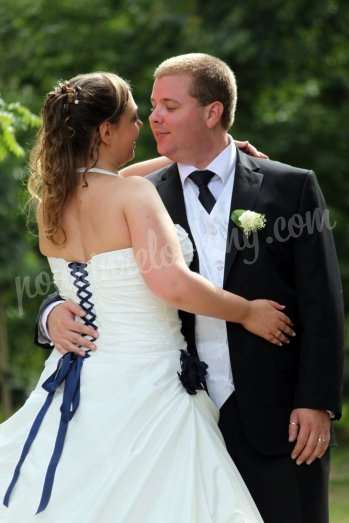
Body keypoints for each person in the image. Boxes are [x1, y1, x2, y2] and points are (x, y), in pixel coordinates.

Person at [37, 55, 345, 523]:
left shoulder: (291, 188)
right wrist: (51, 311)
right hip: (170, 404)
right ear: (105, 130)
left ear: (213, 112)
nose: (152, 119)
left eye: (168, 106)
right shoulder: (140, 193)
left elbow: (324, 303)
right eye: (146, 110)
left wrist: (317, 400)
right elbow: (116, 278)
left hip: (273, 412)